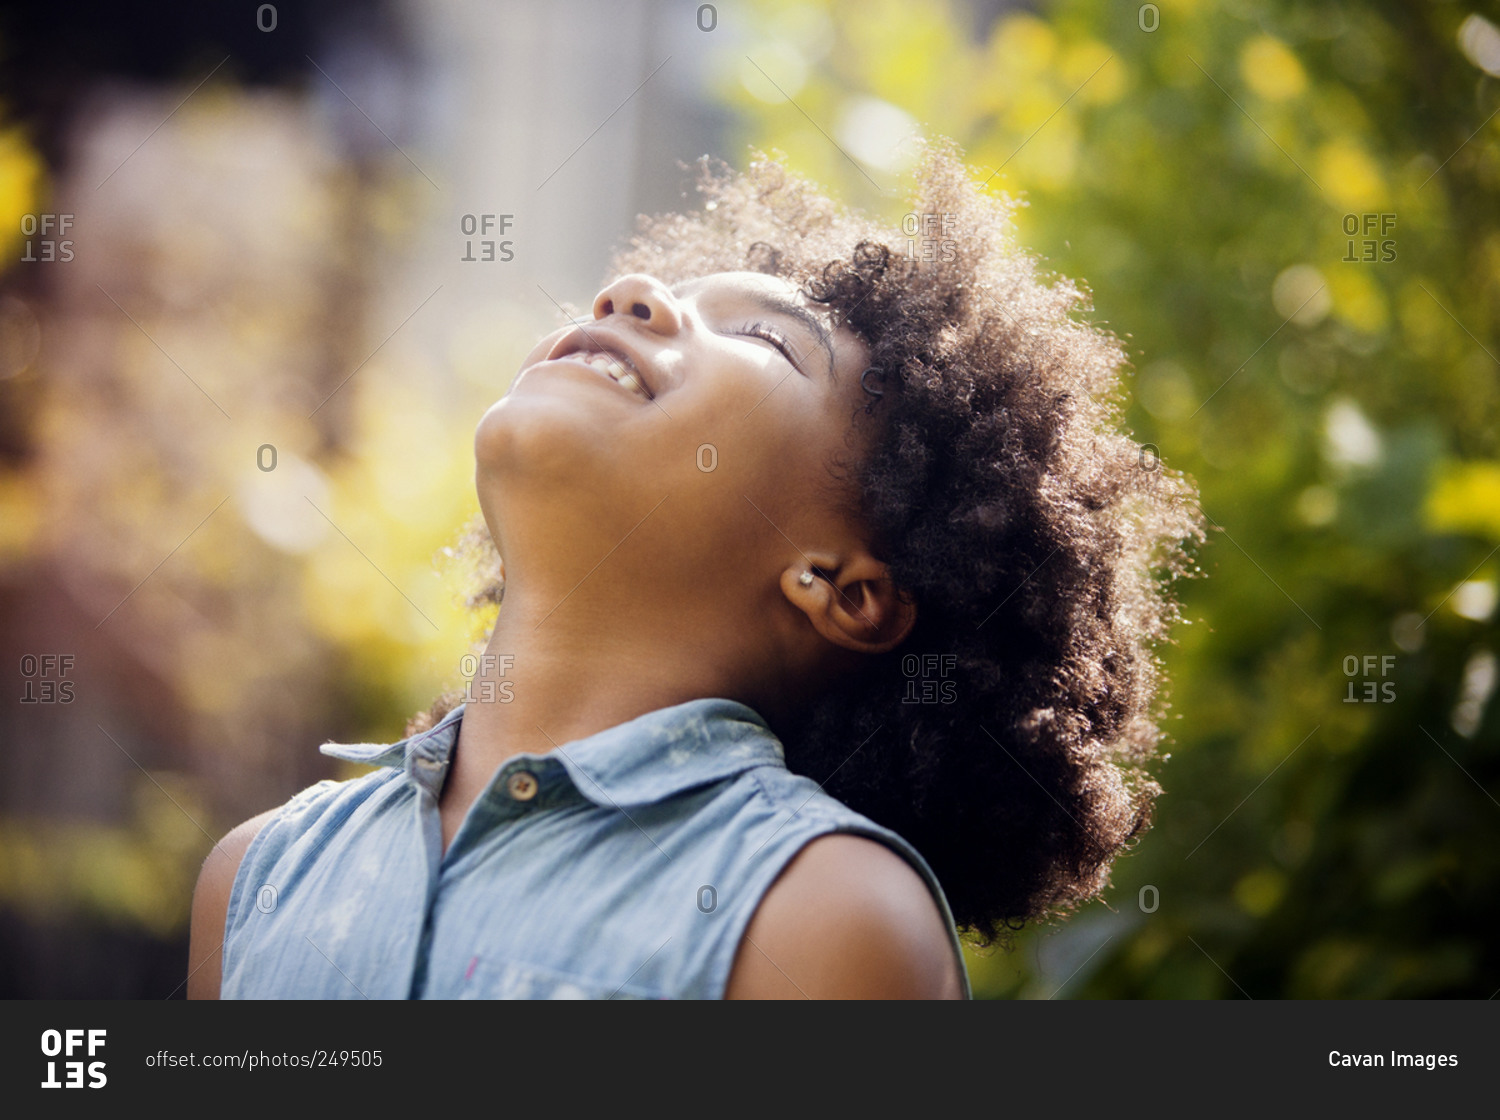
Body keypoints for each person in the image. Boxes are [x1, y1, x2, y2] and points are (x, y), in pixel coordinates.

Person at [188, 141, 1201, 1000]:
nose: (630, 294)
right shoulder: (253, 878)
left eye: (761, 333)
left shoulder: (824, 918)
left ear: (843, 586)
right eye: (656, 288)